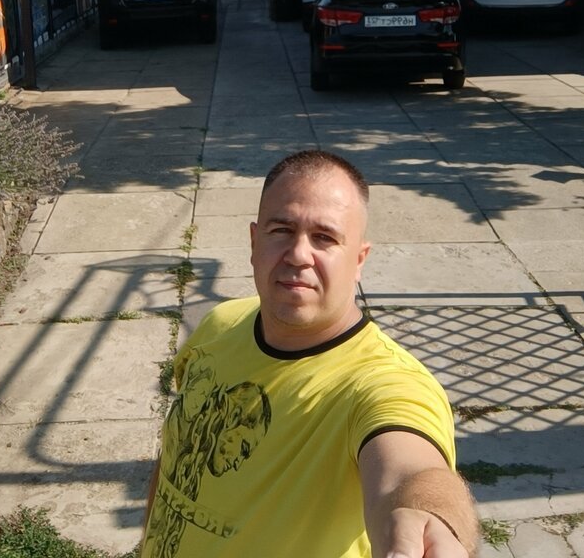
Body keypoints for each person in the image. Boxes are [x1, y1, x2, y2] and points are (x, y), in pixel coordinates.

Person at [139, 150, 479, 558]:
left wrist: (424, 517)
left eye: (325, 238)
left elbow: (411, 470)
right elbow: (175, 456)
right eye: (281, 230)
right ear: (254, 242)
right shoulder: (219, 325)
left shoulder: (384, 384)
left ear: (359, 260)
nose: (299, 254)